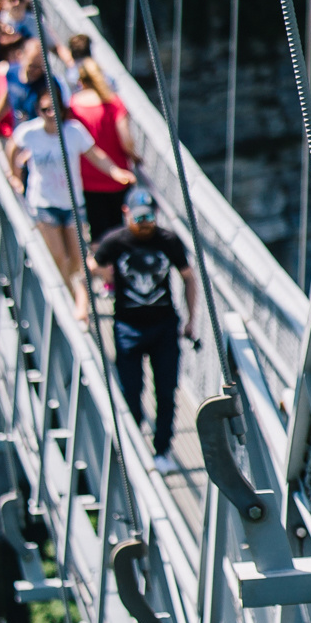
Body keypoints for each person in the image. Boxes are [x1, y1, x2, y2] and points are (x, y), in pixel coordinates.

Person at [92, 189, 199, 474]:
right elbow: (94, 264)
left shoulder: (168, 241)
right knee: (131, 390)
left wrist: (191, 320)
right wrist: (105, 277)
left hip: (164, 326)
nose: (145, 224)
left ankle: (162, 450)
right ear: (126, 214)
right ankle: (134, 441)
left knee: (166, 392)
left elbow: (188, 277)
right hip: (128, 327)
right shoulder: (116, 241)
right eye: (139, 218)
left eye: (150, 217)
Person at [11, 84, 133, 306]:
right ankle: (73, 300)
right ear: (38, 110)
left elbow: (94, 154)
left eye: (54, 109)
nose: (50, 114)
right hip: (44, 203)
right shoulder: (30, 133)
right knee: (58, 256)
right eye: (45, 109)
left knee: (77, 259)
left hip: (72, 203)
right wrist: (15, 177)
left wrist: (115, 171)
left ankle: (74, 293)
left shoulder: (73, 131)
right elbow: (13, 148)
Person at [66, 41, 139, 242]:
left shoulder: (73, 107)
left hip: (88, 177)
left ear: (80, 82)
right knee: (120, 227)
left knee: (98, 230)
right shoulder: (114, 103)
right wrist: (135, 157)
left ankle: (103, 268)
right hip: (118, 174)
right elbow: (126, 140)